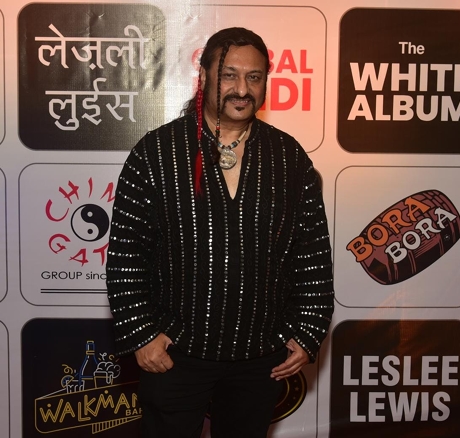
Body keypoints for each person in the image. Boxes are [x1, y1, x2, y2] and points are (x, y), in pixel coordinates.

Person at [106, 27, 334, 438]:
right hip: (174, 354)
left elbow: (312, 256)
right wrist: (142, 335)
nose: (242, 89)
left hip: (260, 358)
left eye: (254, 77)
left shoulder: (289, 158)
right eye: (229, 75)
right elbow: (126, 256)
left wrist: (308, 330)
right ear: (204, 76)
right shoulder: (157, 152)